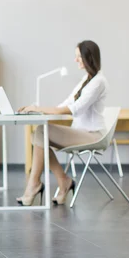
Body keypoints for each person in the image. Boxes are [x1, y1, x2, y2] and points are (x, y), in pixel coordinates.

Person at [17, 40, 108, 206]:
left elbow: (75, 108)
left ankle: (36, 184)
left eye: (79, 57)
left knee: (40, 133)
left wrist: (38, 109)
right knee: (38, 135)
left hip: (93, 135)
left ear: (89, 57)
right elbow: (65, 103)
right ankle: (60, 181)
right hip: (82, 133)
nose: (76, 60)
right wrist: (38, 109)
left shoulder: (98, 82)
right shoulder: (86, 79)